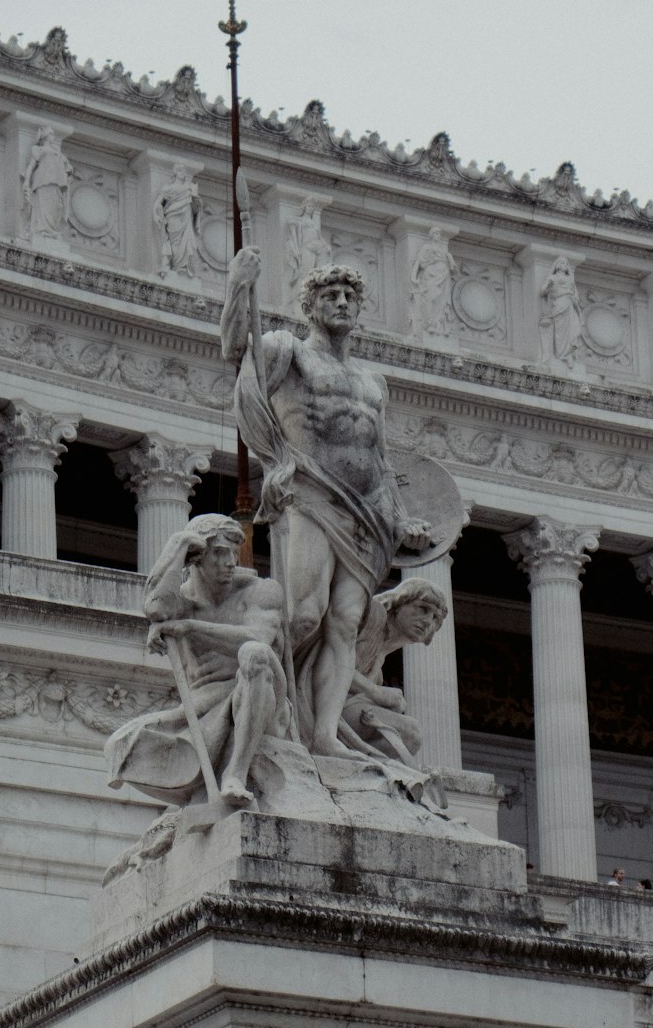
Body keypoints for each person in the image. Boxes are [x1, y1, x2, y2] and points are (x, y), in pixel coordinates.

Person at [222, 251, 433, 756]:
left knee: (344, 623)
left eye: (349, 297)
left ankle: (323, 734)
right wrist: (237, 288)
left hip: (368, 513)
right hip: (312, 492)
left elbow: (379, 459)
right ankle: (253, 696)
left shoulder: (371, 384)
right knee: (305, 616)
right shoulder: (286, 351)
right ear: (310, 308)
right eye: (329, 297)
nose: (341, 303)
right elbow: (236, 354)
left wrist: (403, 520)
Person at [105, 514, 288, 808]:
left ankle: (235, 774)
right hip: (203, 705)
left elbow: (258, 637)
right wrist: (178, 545)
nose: (230, 561)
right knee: (120, 745)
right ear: (196, 559)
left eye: (233, 553)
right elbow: (155, 608)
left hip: (260, 691)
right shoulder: (184, 602)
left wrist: (191, 628)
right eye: (219, 553)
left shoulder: (260, 591)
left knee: (254, 653)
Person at [341, 578, 448, 764]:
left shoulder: (379, 659)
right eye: (423, 608)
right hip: (325, 712)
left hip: (340, 713)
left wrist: (384, 700)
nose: (427, 621)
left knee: (410, 737)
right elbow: (334, 666)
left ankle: (358, 766)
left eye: (435, 618)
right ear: (399, 603)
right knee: (410, 733)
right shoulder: (372, 618)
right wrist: (378, 694)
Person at [22, 125, 72, 238]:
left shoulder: (58, 153)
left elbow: (66, 168)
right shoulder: (38, 149)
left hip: (56, 182)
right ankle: (42, 228)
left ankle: (52, 229)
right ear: (45, 136)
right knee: (43, 204)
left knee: (57, 205)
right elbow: (31, 166)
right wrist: (26, 181)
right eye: (51, 134)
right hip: (43, 180)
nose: (53, 136)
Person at [409, 227, 458, 337]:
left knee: (441, 299)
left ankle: (436, 324)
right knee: (430, 297)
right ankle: (429, 322)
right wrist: (413, 276)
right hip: (430, 274)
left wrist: (451, 262)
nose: (438, 236)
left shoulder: (443, 250)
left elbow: (452, 266)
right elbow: (418, 261)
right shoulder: (426, 247)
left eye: (439, 234)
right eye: (436, 233)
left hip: (443, 275)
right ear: (431, 235)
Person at [155, 163, 201, 276]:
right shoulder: (168, 188)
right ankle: (175, 266)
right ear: (175, 172)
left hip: (186, 217)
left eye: (184, 171)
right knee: (175, 242)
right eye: (180, 170)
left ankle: (183, 267)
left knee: (186, 242)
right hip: (172, 216)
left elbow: (196, 208)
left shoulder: (189, 188)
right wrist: (156, 215)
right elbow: (158, 203)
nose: (183, 173)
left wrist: (195, 196)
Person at [539, 255, 582, 366]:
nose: (564, 265)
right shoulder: (553, 278)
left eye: (566, 263)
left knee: (573, 329)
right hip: (559, 306)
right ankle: (561, 355)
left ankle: (568, 355)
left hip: (570, 305)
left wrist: (575, 299)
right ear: (557, 265)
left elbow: (576, 294)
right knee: (560, 331)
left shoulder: (570, 279)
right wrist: (548, 287)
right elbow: (543, 291)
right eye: (562, 263)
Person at [286, 197, 331, 290]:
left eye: (312, 207)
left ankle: (310, 290)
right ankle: (301, 292)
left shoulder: (314, 224)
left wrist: (327, 245)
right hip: (305, 248)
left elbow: (320, 237)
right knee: (305, 270)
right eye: (309, 206)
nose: (311, 208)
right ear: (304, 207)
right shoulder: (300, 220)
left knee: (313, 270)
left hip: (315, 248)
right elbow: (291, 223)